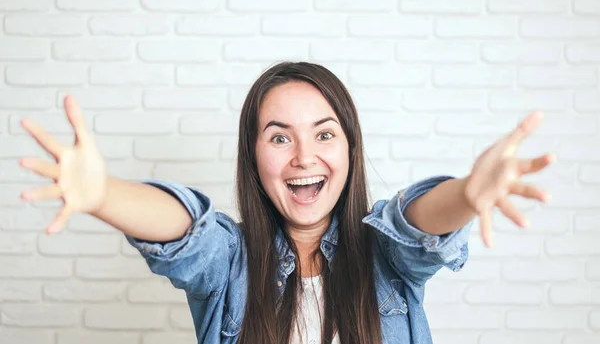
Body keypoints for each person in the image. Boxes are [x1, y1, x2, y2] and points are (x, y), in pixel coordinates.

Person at [19, 61, 555, 344]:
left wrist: (465, 193)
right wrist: (103, 195)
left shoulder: (385, 257)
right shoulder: (230, 263)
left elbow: (415, 226)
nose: (304, 157)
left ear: (350, 149)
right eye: (279, 137)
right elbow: (186, 231)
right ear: (253, 158)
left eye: (324, 135)